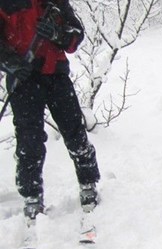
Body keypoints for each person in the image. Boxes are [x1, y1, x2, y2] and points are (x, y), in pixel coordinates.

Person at [0, 0, 100, 221]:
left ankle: (88, 182)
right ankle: (31, 195)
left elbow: (76, 36)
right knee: (29, 139)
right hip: (23, 79)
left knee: (75, 132)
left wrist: (57, 34)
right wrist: (11, 63)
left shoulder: (55, 2)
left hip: (56, 74)